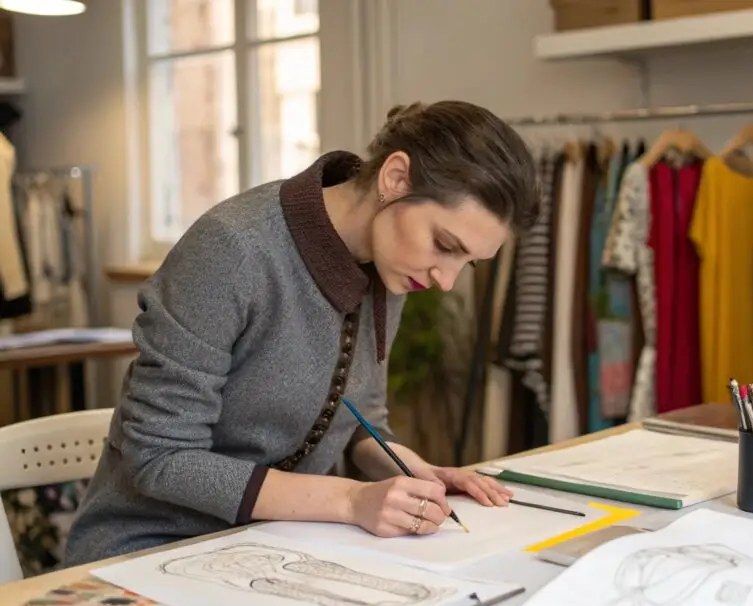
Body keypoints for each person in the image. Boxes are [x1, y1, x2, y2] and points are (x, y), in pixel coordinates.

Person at [64, 100, 540, 566]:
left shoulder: (392, 264)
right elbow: (160, 457)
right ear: (396, 179)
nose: (445, 279)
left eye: (467, 262)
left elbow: (356, 418)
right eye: (444, 245)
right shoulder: (232, 250)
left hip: (273, 549)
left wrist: (418, 475)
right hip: (148, 553)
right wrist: (351, 501)